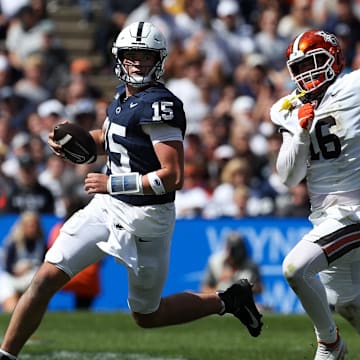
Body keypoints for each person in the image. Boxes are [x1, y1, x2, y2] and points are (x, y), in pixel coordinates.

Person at [0, 21, 262, 360]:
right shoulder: (123, 98)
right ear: (119, 58)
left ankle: (228, 300)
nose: (137, 62)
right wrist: (71, 142)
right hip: (108, 207)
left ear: (160, 60)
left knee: (147, 316)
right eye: (131, 56)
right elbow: (114, 140)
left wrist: (111, 183)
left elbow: (173, 176)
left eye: (145, 56)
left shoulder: (160, 105)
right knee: (45, 277)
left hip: (146, 218)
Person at [270, 29, 360, 359]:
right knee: (346, 303)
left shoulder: (353, 87)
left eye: (314, 62)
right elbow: (287, 177)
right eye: (300, 66)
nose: (307, 73)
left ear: (333, 58)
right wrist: (297, 132)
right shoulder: (294, 110)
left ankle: (329, 343)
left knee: (295, 267)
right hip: (325, 216)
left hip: (353, 212)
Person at [0, 211, 47, 313]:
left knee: (29, 311)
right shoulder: (13, 242)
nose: (33, 228)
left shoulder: (41, 243)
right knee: (11, 310)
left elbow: (46, 265)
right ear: (23, 226)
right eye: (30, 226)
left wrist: (29, 267)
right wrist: (17, 271)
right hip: (12, 278)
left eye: (35, 225)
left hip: (30, 279)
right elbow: (7, 266)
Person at [201, 232, 262, 296]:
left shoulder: (252, 265)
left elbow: (260, 288)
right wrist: (222, 290)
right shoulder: (215, 262)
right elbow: (205, 289)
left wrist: (244, 288)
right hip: (219, 302)